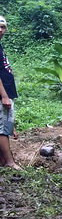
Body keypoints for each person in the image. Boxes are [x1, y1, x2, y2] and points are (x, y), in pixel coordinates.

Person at [0, 16, 20, 170]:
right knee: (2, 130)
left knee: (5, 127)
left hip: (6, 93)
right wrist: (4, 96)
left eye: (3, 27)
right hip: (2, 95)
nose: (1, 30)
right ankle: (9, 162)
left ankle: (3, 161)